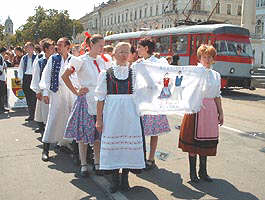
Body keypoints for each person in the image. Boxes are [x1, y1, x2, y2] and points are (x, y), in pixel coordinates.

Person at [95, 42, 145, 193]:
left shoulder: (135, 73)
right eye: (121, 51)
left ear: (130, 54)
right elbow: (100, 98)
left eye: (127, 52)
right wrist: (99, 119)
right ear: (114, 54)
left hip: (130, 115)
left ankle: (125, 179)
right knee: (114, 148)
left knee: (128, 149)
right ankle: (115, 180)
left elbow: (143, 94)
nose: (124, 55)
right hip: (112, 115)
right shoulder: (105, 73)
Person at [62, 34, 107, 177]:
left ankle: (98, 163)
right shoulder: (80, 60)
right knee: (83, 135)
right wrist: (76, 91)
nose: (102, 48)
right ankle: (83, 165)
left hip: (100, 100)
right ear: (91, 45)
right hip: (86, 99)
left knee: (98, 134)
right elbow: (65, 76)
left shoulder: (102, 61)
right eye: (100, 45)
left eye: (103, 45)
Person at [178, 44, 224, 183]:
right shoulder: (194, 72)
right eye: (204, 57)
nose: (207, 60)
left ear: (213, 59)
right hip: (196, 109)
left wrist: (220, 112)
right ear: (200, 58)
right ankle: (193, 173)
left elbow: (217, 95)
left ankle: (203, 171)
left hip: (210, 109)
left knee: (206, 141)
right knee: (193, 141)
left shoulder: (216, 75)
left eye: (210, 57)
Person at [39, 37, 75, 162]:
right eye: (57, 45)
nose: (57, 47)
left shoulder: (73, 59)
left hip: (70, 93)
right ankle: (45, 148)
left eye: (60, 45)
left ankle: (64, 144)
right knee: (53, 118)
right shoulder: (53, 59)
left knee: (69, 120)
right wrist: (45, 92)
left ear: (67, 47)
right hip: (56, 93)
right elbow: (46, 75)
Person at [137, 38, 171, 170]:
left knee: (153, 131)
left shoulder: (158, 62)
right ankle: (141, 157)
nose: (137, 50)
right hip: (141, 101)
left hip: (153, 101)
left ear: (146, 48)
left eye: (139, 47)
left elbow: (165, 79)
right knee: (140, 131)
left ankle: (151, 158)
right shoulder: (139, 63)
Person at [30, 39, 55, 135]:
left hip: (54, 90)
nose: (53, 50)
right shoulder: (40, 61)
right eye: (51, 48)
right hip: (43, 89)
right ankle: (44, 129)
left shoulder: (56, 60)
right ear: (45, 49)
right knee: (43, 111)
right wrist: (37, 91)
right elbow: (36, 76)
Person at [18, 42, 37, 121]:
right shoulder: (24, 58)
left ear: (33, 48)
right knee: (28, 97)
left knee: (34, 97)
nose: (27, 49)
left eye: (28, 47)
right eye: (26, 48)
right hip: (26, 78)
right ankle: (31, 115)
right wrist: (21, 79)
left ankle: (36, 115)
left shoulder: (37, 57)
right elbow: (21, 69)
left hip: (34, 77)